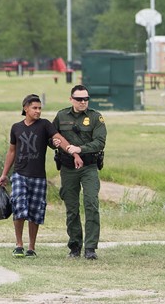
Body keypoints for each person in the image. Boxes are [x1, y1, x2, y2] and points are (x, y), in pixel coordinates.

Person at [0, 94, 80, 258]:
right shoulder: (16, 127)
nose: (38, 111)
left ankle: (31, 247)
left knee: (35, 212)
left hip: (38, 176)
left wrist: (73, 152)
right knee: (19, 207)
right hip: (20, 174)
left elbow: (58, 138)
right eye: (34, 108)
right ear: (25, 108)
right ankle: (19, 244)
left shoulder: (44, 125)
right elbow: (12, 151)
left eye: (40, 108)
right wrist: (4, 174)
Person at [52, 85, 107, 260]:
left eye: (86, 99)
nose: (83, 102)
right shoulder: (61, 116)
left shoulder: (95, 117)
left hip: (89, 167)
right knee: (72, 208)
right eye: (79, 99)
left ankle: (90, 248)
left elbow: (99, 142)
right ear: (71, 99)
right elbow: (52, 137)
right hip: (68, 168)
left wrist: (80, 149)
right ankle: (75, 246)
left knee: (91, 204)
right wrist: (53, 142)